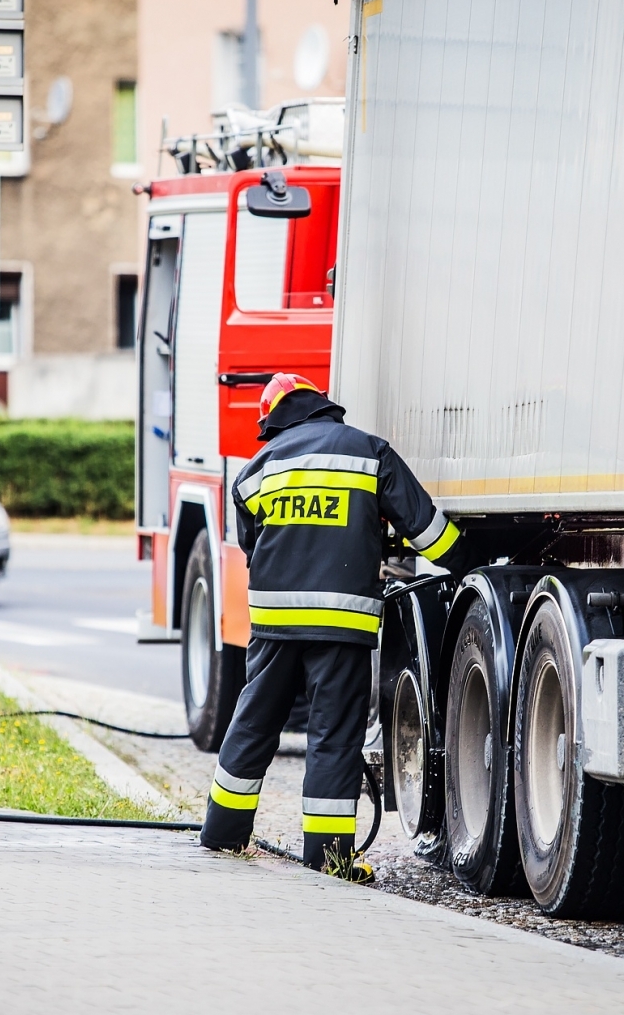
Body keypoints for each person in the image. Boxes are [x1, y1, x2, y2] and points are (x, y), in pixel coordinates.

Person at [200, 373, 468, 877]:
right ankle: (327, 859)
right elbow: (425, 529)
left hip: (274, 628)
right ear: (321, 407)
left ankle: (222, 835)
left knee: (254, 722)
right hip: (342, 627)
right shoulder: (368, 452)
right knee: (332, 736)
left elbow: (253, 548)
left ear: (274, 421)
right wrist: (469, 559)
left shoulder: (255, 470)